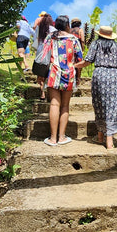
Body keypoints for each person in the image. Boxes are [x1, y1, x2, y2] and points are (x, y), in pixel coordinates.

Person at [76, 25, 117, 150]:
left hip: (100, 75)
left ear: (100, 34)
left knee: (99, 105)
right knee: (112, 106)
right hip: (114, 76)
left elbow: (87, 61)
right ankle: (109, 139)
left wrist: (73, 66)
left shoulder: (96, 44)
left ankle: (101, 137)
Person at [41, 15, 83, 146]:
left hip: (53, 73)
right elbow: (79, 60)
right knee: (65, 106)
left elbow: (43, 57)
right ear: (67, 26)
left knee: (54, 104)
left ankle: (53, 139)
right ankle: (62, 137)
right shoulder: (74, 40)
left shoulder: (50, 38)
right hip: (69, 75)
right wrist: (78, 76)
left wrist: (41, 75)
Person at [32, 13, 55, 100]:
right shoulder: (53, 29)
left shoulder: (38, 28)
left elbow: (36, 40)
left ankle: (42, 93)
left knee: (40, 72)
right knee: (47, 72)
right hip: (49, 51)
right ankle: (47, 92)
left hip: (40, 50)